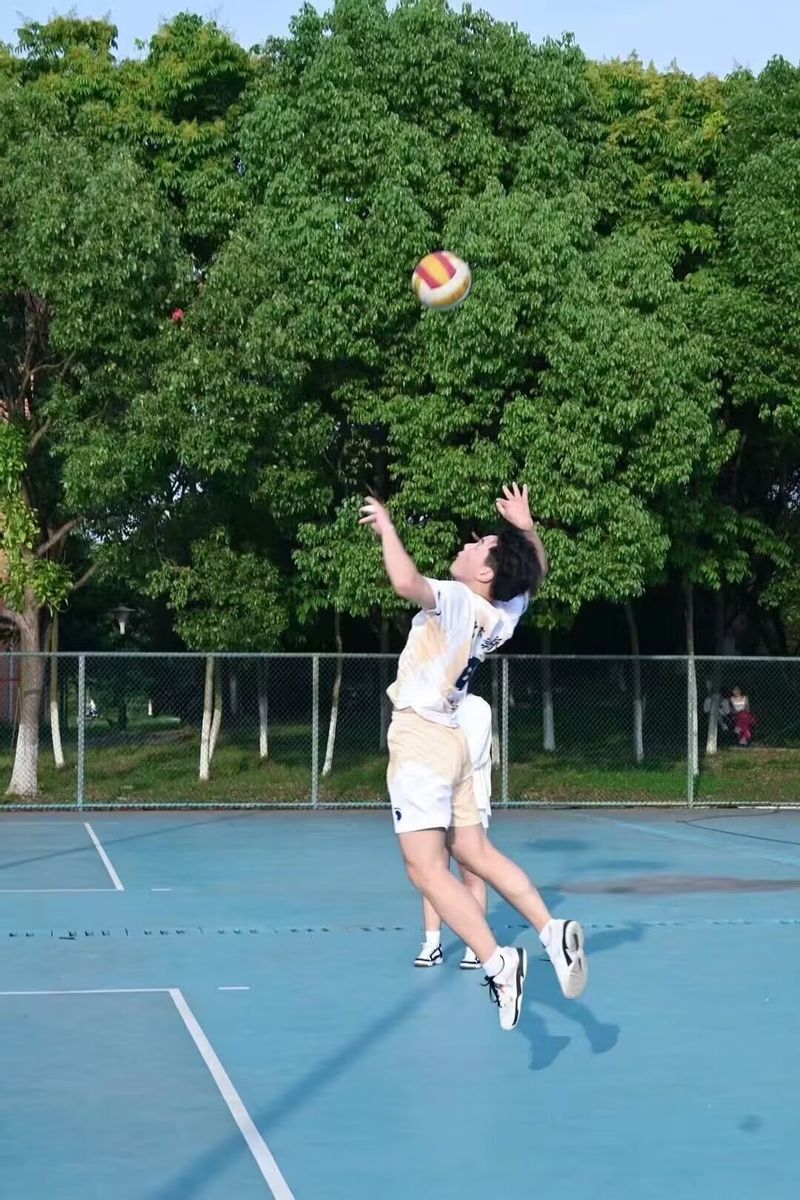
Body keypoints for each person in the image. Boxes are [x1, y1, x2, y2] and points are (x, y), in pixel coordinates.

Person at [360, 483, 588, 1031]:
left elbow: (405, 582)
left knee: (425, 868)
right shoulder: (501, 616)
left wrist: (388, 527)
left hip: (422, 739)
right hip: (453, 741)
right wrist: (526, 527)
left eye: (480, 544)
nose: (468, 544)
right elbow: (535, 573)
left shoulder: (460, 600)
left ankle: (498, 962)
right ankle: (550, 929)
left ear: (485, 571)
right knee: (473, 851)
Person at [414, 693, 494, 970]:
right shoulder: (428, 706)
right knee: (432, 873)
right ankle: (432, 944)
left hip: (470, 801)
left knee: (471, 875)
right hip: (433, 801)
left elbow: (470, 756)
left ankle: (476, 947)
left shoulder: (478, 708)